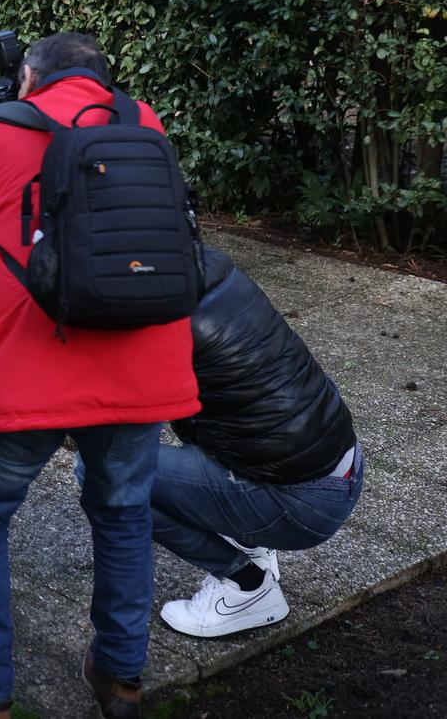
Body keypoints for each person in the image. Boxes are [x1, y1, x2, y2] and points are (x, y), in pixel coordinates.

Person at [0, 32, 201, 719]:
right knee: (123, 513)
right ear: (102, 80)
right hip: (138, 372)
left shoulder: (1, 134)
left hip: (26, 376)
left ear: (32, 79)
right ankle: (120, 681)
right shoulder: (146, 123)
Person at [150, 245, 361, 638]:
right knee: (211, 415)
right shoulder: (207, 265)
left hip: (302, 504)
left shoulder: (148, 313)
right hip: (343, 465)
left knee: (104, 473)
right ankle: (252, 544)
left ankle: (246, 587)